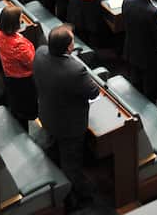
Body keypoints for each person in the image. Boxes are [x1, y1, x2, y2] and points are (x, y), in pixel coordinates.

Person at [34, 25, 100, 208]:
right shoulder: (75, 70)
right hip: (69, 125)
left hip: (47, 114)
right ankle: (74, 198)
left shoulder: (40, 53)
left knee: (54, 147)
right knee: (71, 163)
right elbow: (93, 92)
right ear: (69, 47)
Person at [123, 0, 157, 100]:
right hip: (148, 57)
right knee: (149, 89)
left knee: (135, 81)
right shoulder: (152, 12)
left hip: (131, 48)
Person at [0, 4, 37, 123]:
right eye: (20, 19)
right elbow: (31, 63)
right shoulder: (19, 45)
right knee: (24, 110)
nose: (22, 21)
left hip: (9, 75)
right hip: (24, 80)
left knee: (16, 103)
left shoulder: (0, 33)